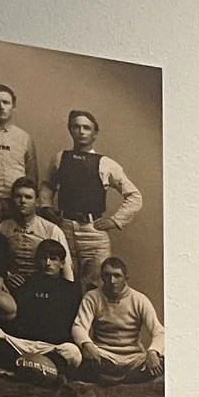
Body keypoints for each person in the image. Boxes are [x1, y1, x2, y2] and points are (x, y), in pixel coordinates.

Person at [48, 108, 143, 279]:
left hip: (93, 232)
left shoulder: (105, 164)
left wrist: (115, 220)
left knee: (96, 283)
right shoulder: (60, 158)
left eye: (86, 128)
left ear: (95, 133)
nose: (81, 131)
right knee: (65, 280)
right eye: (76, 127)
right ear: (70, 129)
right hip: (65, 229)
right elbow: (47, 184)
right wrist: (46, 205)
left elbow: (134, 196)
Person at [0, 240, 86, 380]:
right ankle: (38, 370)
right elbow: (14, 314)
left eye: (53, 259)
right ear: (37, 261)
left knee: (73, 352)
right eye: (44, 258)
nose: (48, 263)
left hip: (50, 347)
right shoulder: (25, 282)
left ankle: (18, 368)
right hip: (21, 343)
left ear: (61, 263)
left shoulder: (72, 290)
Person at [69, 255, 165, 381]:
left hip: (134, 358)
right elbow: (79, 326)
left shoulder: (139, 299)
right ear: (102, 277)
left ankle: (120, 379)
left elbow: (158, 330)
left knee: (164, 361)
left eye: (117, 276)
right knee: (79, 359)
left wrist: (153, 352)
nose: (112, 280)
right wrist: (87, 344)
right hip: (103, 356)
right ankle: (125, 380)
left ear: (126, 278)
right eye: (107, 275)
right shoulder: (92, 297)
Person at [0, 179, 71, 300]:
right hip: (12, 286)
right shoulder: (3, 227)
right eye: (18, 196)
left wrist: (67, 293)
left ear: (37, 202)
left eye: (28, 197)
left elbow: (66, 267)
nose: (22, 201)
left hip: (42, 287)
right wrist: (5, 275)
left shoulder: (51, 229)